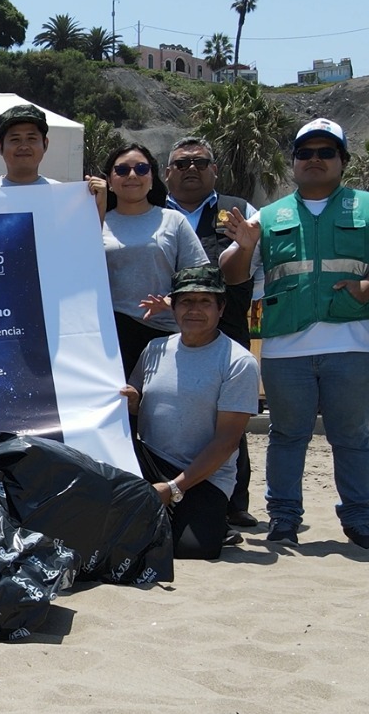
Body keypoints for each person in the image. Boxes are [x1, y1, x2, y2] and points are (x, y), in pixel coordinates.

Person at [220, 117, 369, 551]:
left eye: (326, 152)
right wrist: (246, 246)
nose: (315, 159)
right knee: (286, 436)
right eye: (305, 153)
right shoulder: (266, 216)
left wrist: (368, 287)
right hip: (286, 346)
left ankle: (360, 521)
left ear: (343, 160)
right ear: (293, 163)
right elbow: (232, 277)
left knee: (353, 437)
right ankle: (283, 519)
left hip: (355, 343)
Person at [123, 265, 258, 559]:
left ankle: (215, 523)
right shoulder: (154, 348)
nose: (194, 310)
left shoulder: (238, 362)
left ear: (221, 308)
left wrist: (172, 488)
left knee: (194, 549)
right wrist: (131, 400)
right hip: (149, 462)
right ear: (174, 307)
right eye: (186, 301)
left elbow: (227, 442)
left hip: (203, 476)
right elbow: (135, 399)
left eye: (205, 302)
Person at [164, 136, 261, 528]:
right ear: (167, 172)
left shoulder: (239, 211)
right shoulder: (147, 207)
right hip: (156, 328)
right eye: (182, 163)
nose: (192, 169)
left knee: (227, 420)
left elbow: (253, 268)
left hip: (226, 326)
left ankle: (234, 502)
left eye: (201, 162)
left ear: (215, 170)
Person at [100, 144, 209, 377]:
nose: (132, 175)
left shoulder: (174, 221)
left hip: (165, 334)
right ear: (109, 180)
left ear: (152, 178)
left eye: (141, 169)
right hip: (109, 338)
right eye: (122, 170)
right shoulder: (95, 223)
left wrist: (173, 301)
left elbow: (202, 277)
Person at [0, 104, 58, 190]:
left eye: (31, 138)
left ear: (45, 144)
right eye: (15, 139)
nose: (24, 147)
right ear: (0, 147)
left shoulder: (63, 195)